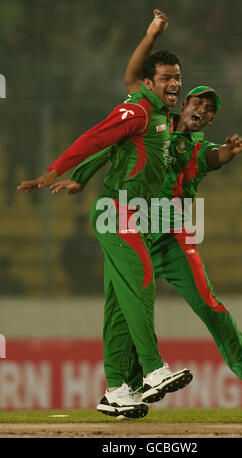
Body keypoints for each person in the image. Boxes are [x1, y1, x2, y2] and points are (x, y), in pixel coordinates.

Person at [52, 9, 242, 401]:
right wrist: (80, 174)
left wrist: (228, 152)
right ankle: (125, 386)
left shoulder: (200, 148)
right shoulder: (151, 122)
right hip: (132, 226)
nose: (203, 111)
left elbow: (215, 158)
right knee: (123, 307)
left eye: (211, 110)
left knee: (206, 302)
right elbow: (114, 135)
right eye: (199, 103)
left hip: (171, 237)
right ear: (181, 102)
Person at [17, 11, 193, 420]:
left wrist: (150, 35)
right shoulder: (138, 111)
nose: (175, 84)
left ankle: (116, 390)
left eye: (177, 77)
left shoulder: (156, 110)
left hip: (137, 215)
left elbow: (130, 80)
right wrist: (61, 168)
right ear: (151, 85)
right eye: (166, 78)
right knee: (142, 282)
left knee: (117, 303)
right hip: (118, 213)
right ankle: (151, 371)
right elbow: (96, 137)